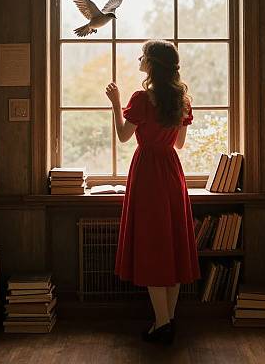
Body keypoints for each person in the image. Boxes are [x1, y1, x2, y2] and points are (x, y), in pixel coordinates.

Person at [105, 39, 200, 345]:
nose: (139, 59)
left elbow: (122, 136)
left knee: (152, 247)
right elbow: (180, 144)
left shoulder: (141, 98)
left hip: (147, 172)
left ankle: (163, 324)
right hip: (172, 173)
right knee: (171, 246)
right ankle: (166, 323)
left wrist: (116, 103)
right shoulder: (182, 100)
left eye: (143, 56)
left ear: (153, 64)